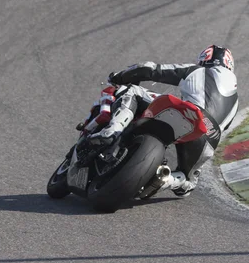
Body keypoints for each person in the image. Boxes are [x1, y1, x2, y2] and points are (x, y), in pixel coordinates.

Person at [86, 45, 238, 197]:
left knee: (132, 90)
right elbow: (224, 127)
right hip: (210, 136)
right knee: (187, 185)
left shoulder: (197, 70)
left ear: (204, 59)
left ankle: (113, 130)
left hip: (189, 111)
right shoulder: (235, 100)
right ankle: (165, 179)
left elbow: (150, 70)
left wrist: (119, 77)